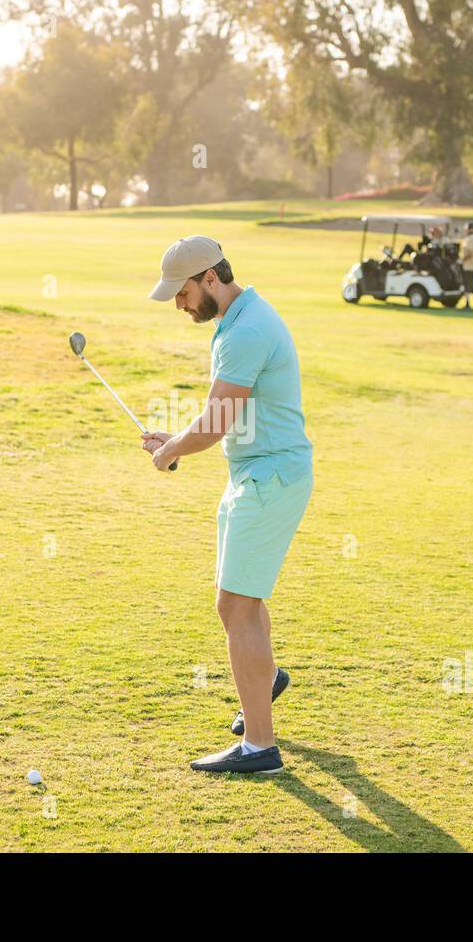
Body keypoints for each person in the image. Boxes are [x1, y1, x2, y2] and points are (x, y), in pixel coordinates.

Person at [142, 235, 313, 775]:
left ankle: (260, 748)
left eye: (184, 292)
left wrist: (172, 450)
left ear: (210, 279)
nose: (180, 305)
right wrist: (175, 439)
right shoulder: (239, 322)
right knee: (243, 599)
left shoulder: (246, 331)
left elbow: (215, 424)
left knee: (234, 606)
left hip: (270, 479)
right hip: (254, 475)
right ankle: (268, 679)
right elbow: (230, 414)